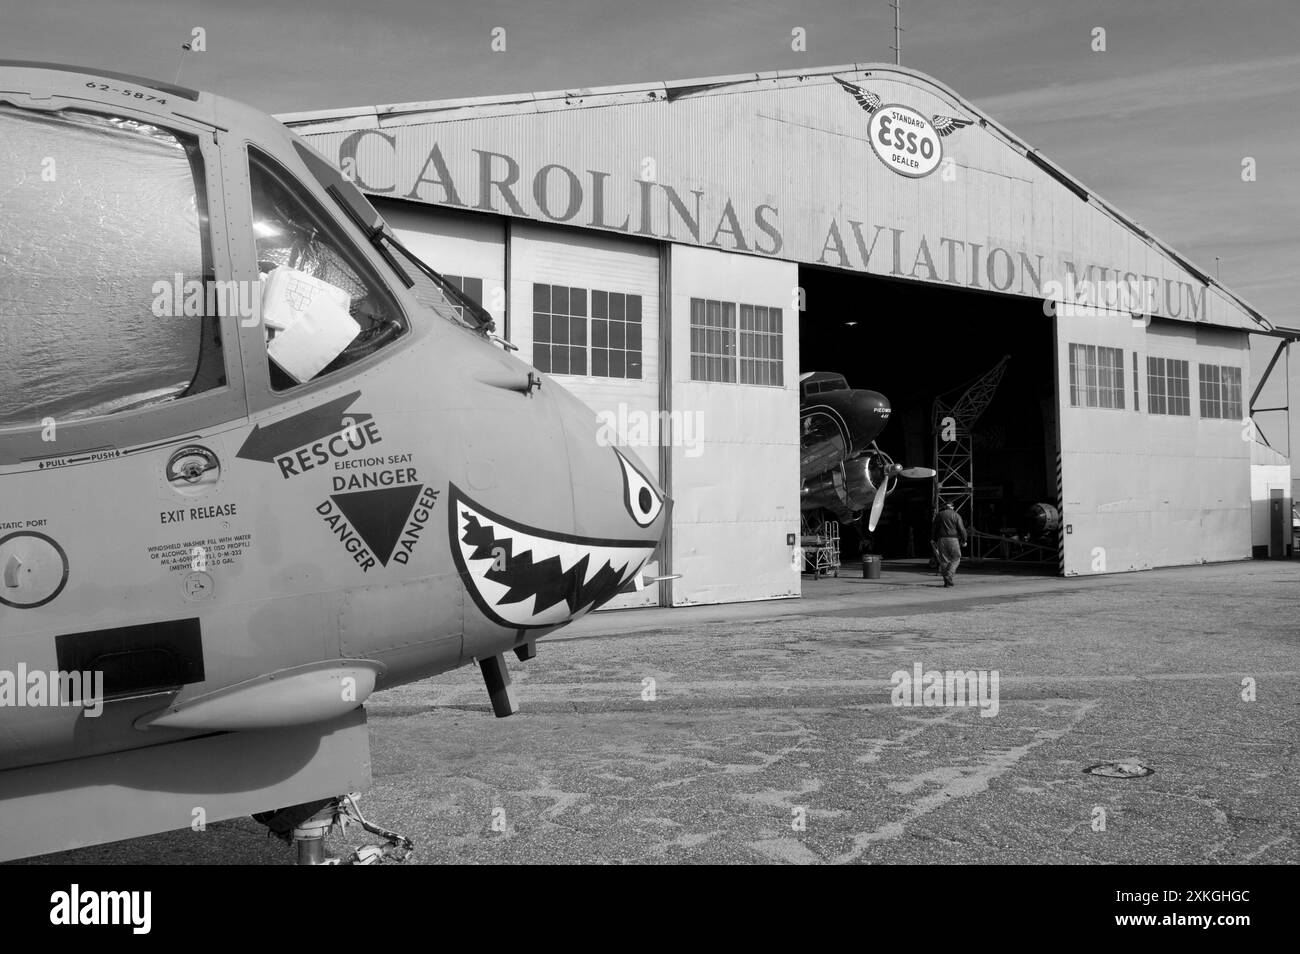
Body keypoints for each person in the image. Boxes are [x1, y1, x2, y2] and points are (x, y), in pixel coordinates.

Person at [931, 499, 967, 587]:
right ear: (953, 507)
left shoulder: (939, 515)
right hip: (953, 540)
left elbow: (934, 528)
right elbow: (962, 529)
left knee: (944, 560)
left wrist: (933, 539)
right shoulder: (956, 515)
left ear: (944, 507)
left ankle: (947, 582)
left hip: (941, 539)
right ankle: (949, 576)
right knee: (956, 558)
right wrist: (964, 540)